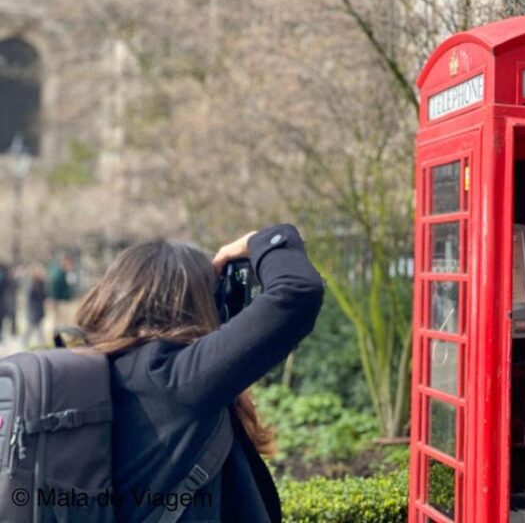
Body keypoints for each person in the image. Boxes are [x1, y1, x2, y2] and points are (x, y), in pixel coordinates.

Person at [74, 224, 324, 522]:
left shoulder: (102, 370)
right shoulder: (172, 378)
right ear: (197, 304)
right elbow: (297, 292)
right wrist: (260, 241)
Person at [24, 264, 47, 347]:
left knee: (39, 329)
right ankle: (24, 343)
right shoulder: (32, 284)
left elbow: (44, 295)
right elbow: (30, 297)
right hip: (34, 310)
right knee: (30, 328)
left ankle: (41, 344)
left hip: (39, 310)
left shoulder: (41, 283)